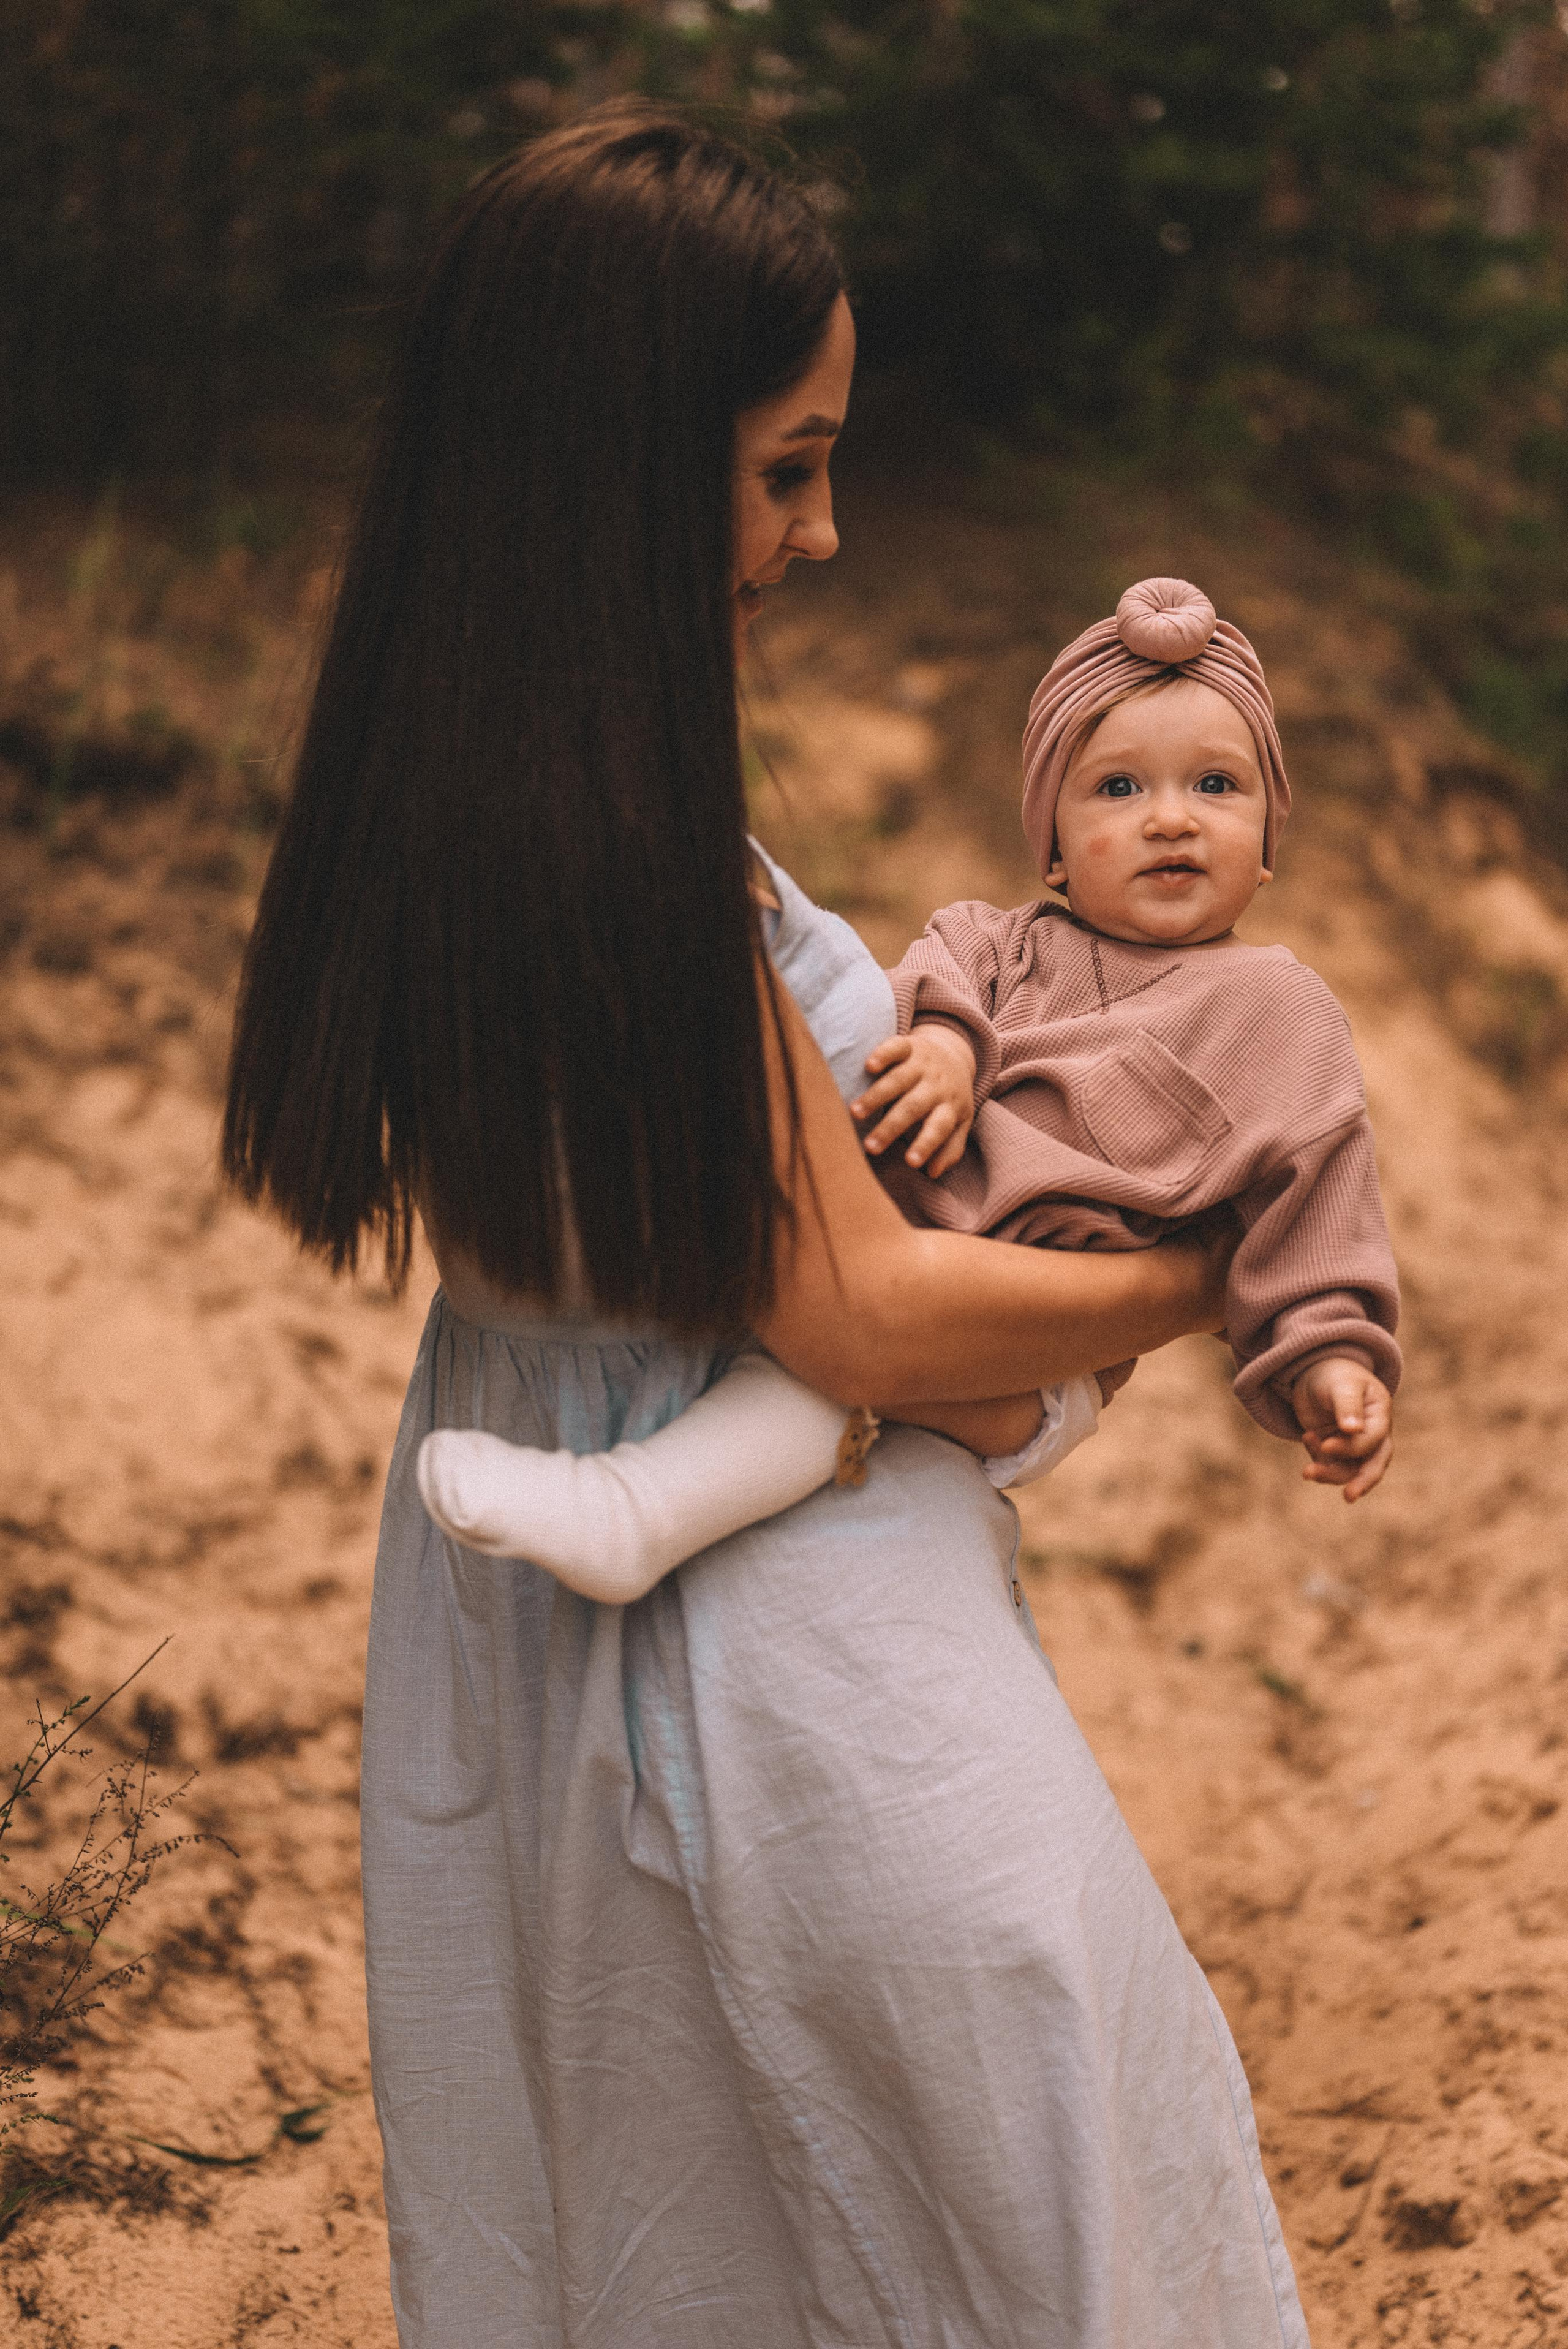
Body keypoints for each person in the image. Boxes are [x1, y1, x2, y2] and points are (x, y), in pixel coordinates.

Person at [223, 102, 1312, 2347]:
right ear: (620, 468)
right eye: (786, 463)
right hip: (779, 1675)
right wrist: (1229, 1263)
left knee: (675, 2221)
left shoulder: (438, 790)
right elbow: (863, 1307)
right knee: (1037, 2201)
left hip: (535, 1653)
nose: (824, 531)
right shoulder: (611, 859)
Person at [417, 577, 1398, 1602]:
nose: (1169, 820)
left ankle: (635, 1513)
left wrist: (1333, 1365)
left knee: (829, 1380)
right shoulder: (997, 940)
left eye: (1216, 786)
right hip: (894, 1259)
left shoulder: (1283, 1011)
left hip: (1032, 1356)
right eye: (1118, 788)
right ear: (1051, 843)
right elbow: (926, 988)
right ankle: (640, 1495)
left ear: (1271, 837)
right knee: (798, 1349)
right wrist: (945, 1046)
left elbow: (1321, 1209)